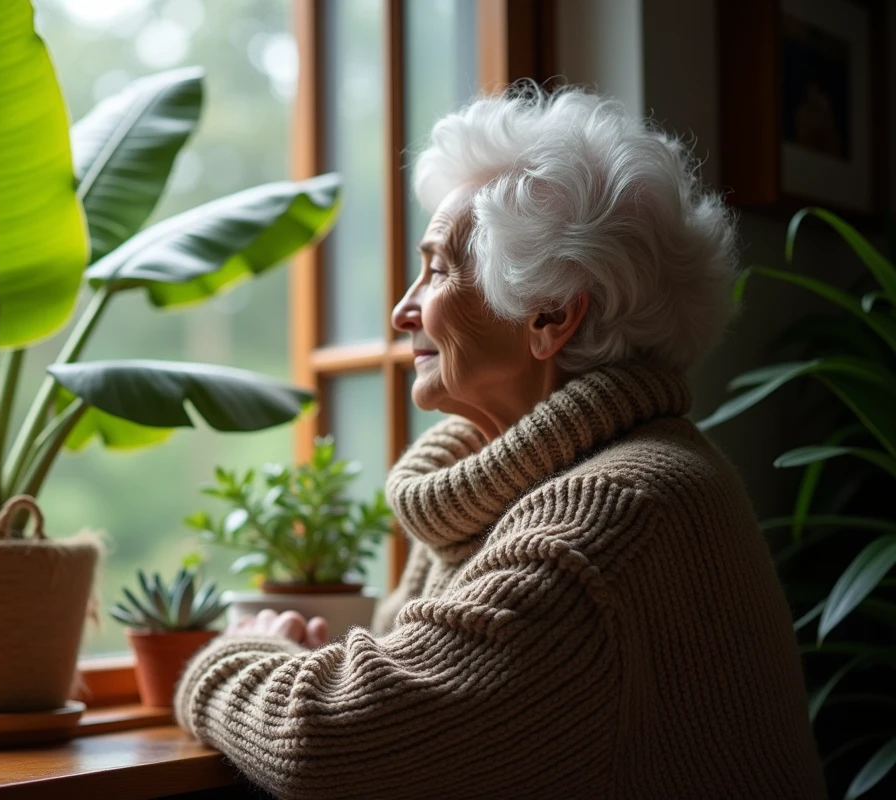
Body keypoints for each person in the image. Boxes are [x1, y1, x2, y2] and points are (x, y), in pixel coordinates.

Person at [173, 83, 825, 799]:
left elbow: (332, 741)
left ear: (551, 315)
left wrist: (239, 654)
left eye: (438, 270)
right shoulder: (496, 495)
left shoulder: (617, 511)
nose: (402, 310)